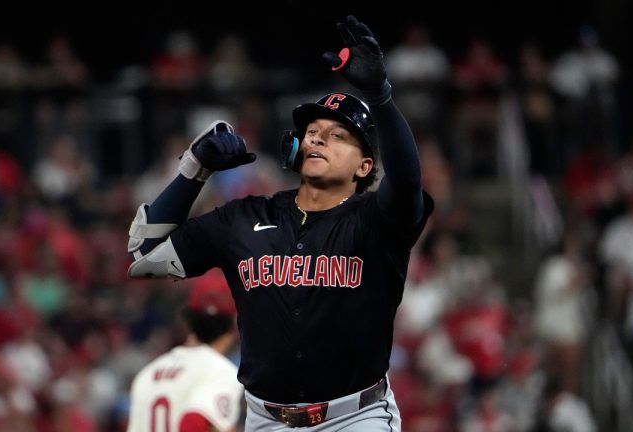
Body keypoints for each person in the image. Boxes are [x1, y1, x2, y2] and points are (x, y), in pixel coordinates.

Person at [127, 15, 433, 431]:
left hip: (356, 417)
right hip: (265, 419)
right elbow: (146, 255)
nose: (319, 138)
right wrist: (194, 169)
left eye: (338, 136)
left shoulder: (376, 222)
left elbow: (408, 181)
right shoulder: (246, 216)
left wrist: (379, 96)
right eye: (312, 131)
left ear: (365, 166)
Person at [127, 271, 243, 432]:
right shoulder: (221, 372)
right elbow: (192, 422)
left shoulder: (147, 374)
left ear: (189, 322)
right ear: (233, 326)